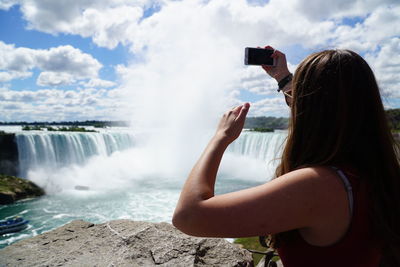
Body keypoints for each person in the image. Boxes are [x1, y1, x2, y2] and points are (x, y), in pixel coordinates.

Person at [172, 46, 400, 267]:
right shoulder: (375, 171)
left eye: (301, 94)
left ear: (311, 109)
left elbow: (188, 216)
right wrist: (283, 78)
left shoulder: (317, 185)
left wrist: (220, 138)